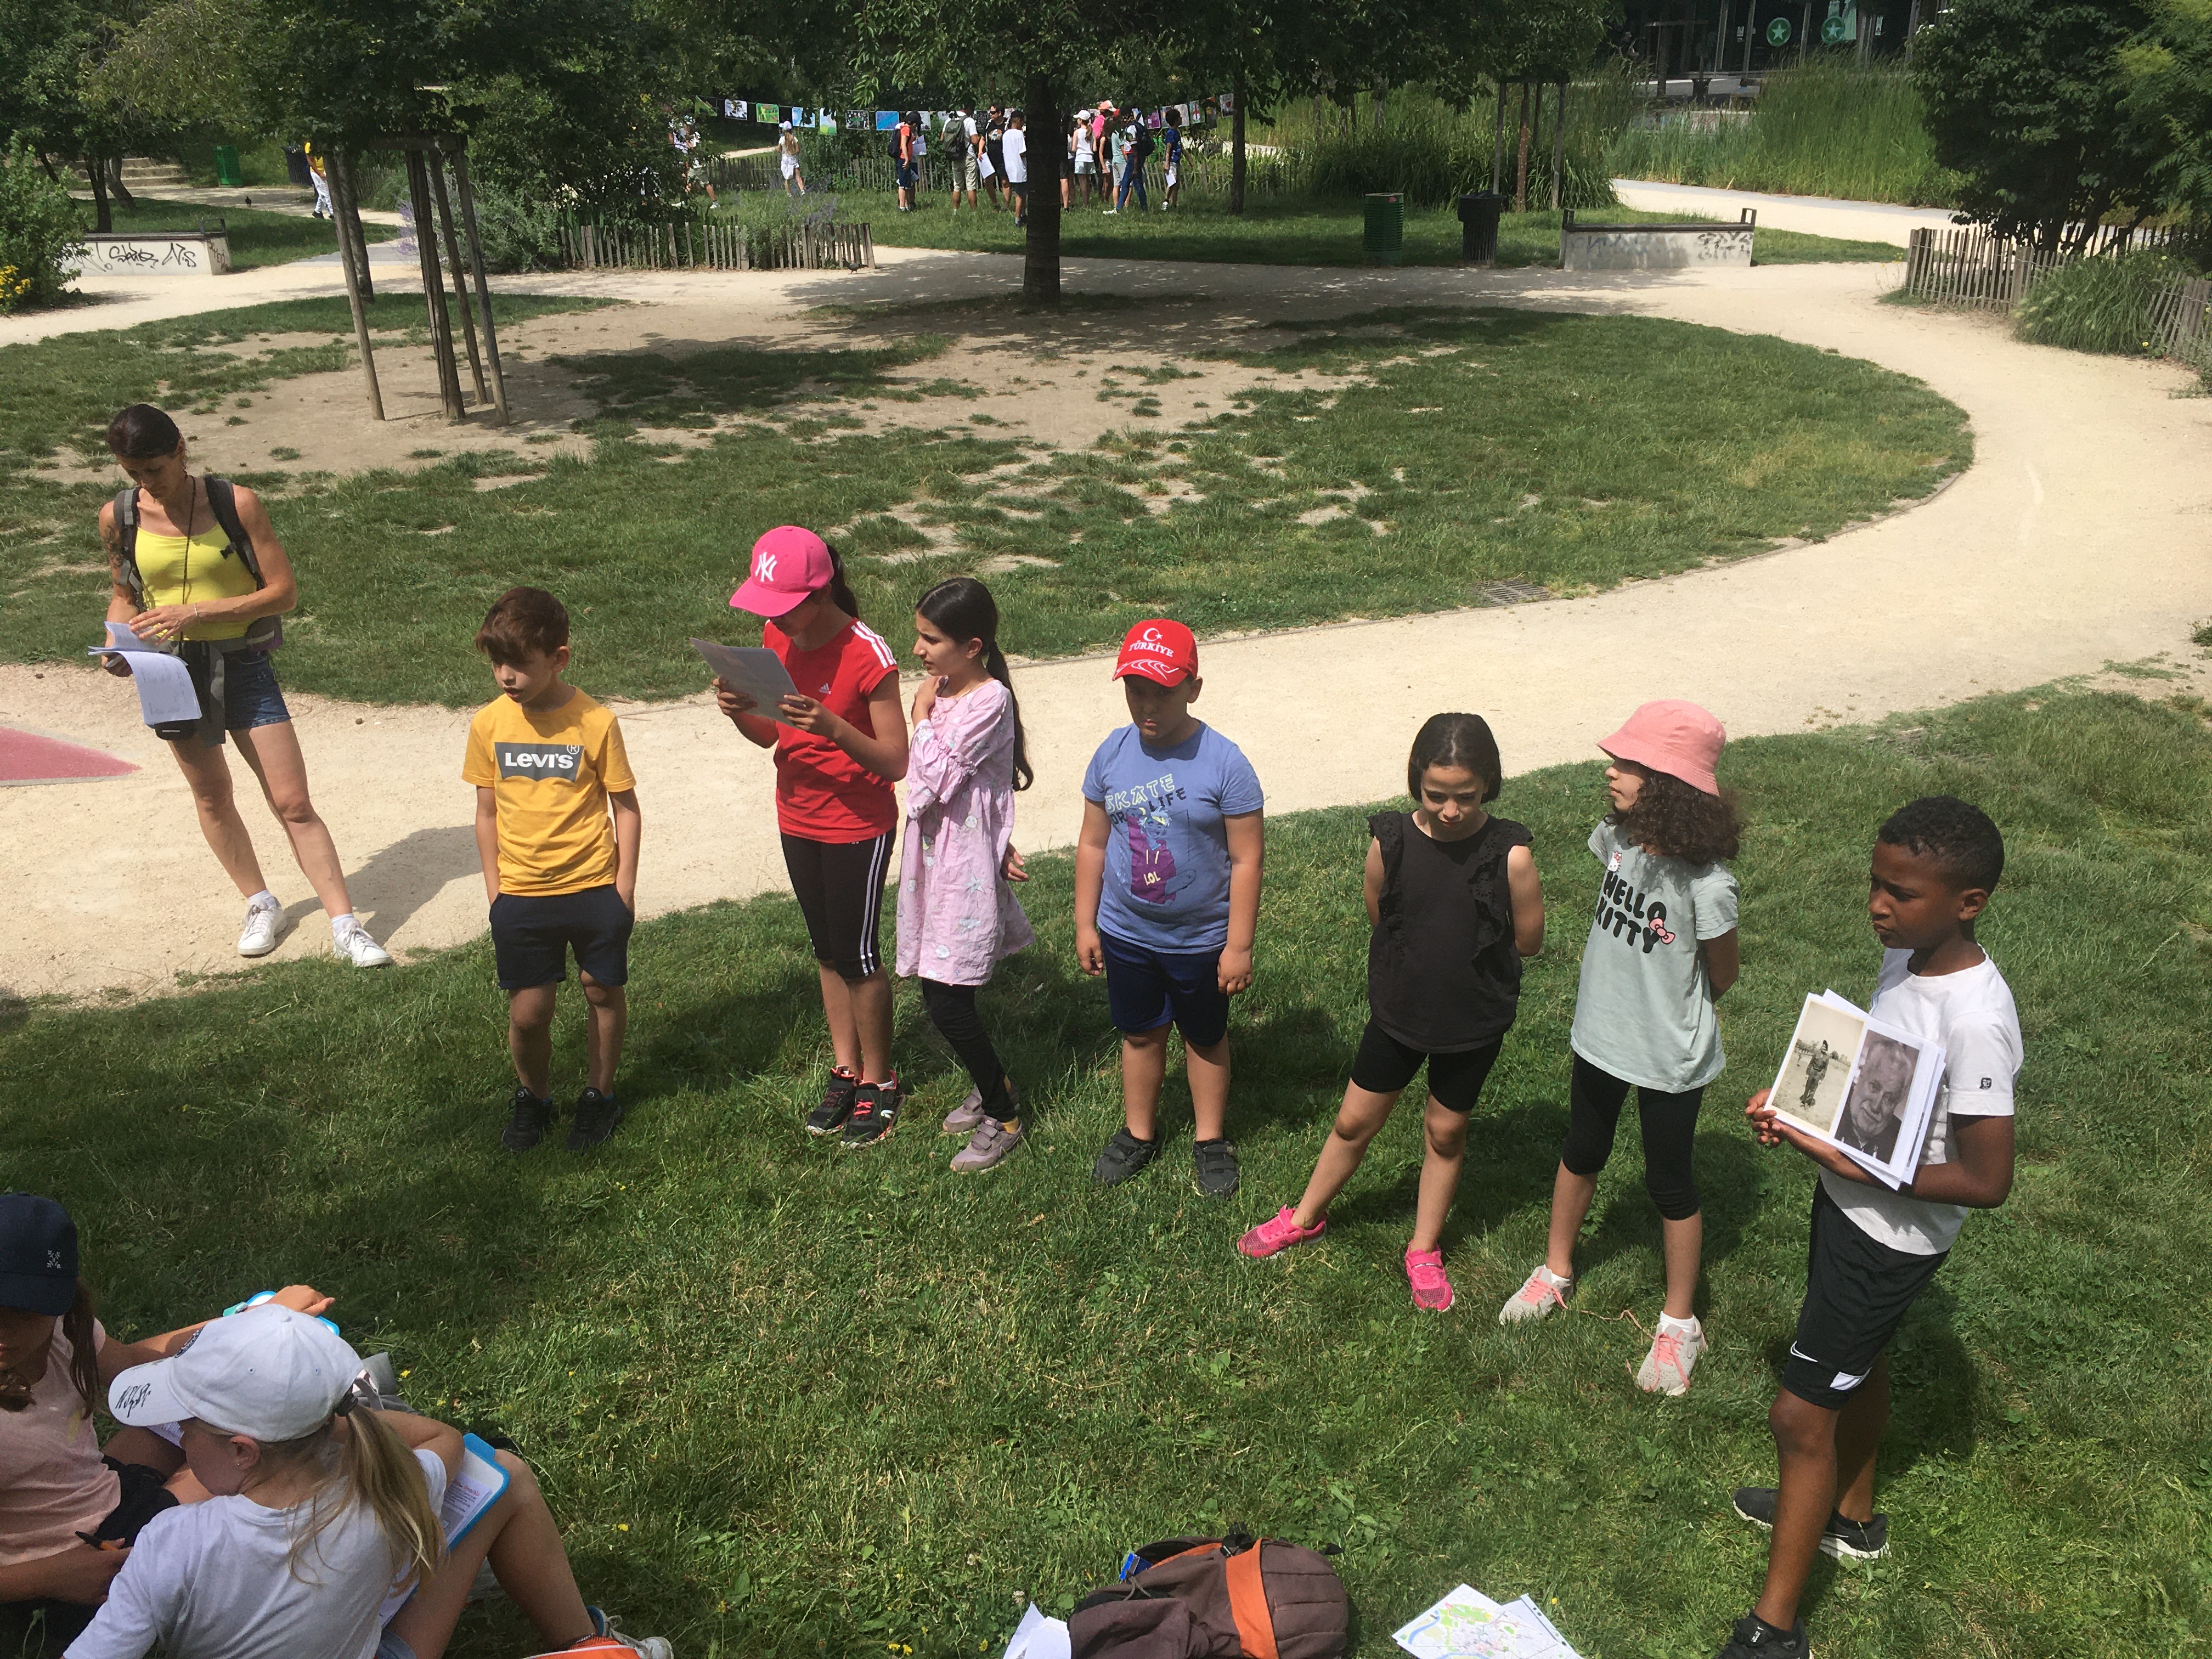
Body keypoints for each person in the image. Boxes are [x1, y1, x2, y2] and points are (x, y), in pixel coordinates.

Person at [1717, 798, 2020, 1659]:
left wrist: (1861, 1169)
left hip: (1887, 1239)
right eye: (1875, 884)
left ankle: (1776, 1628)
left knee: (1797, 1418)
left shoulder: (1976, 1018)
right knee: (1866, 1359)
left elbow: (1988, 1179)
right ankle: (1850, 1519)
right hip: (1850, 1208)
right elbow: (1888, 1087)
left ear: (1970, 903)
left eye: (1902, 893)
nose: (1878, 906)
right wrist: (1800, 1109)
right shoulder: (1908, 958)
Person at [69, 1302, 671, 1658]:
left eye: (185, 1426)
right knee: (504, 1475)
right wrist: (334, 1423)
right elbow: (444, 1439)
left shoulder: (172, 1543)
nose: (178, 1435)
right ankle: (594, 1646)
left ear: (243, 1451)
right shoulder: (387, 1493)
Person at [1239, 715, 1545, 1311]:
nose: (1451, 810)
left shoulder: (1510, 855)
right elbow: (1380, 912)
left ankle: (1424, 1247)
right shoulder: (1391, 841)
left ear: (1488, 783)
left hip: (1473, 1021)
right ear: (1416, 782)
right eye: (1436, 795)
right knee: (1353, 1122)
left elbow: (1530, 941)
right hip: (1399, 1012)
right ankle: (1304, 1217)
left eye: (1466, 796)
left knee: (1446, 1132)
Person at [1497, 701, 1742, 1398]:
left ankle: (1680, 1324)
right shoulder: (1617, 838)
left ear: (1668, 785)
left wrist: (1664, 1010)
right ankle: (1556, 1271)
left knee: (1669, 1181)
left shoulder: (1708, 886)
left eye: (1629, 764)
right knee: (1582, 1148)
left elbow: (1723, 974)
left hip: (1669, 1057)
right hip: (1600, 1036)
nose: (1611, 771)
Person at [95, 404, 393, 969]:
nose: (147, 483)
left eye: (155, 469)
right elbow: (124, 595)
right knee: (211, 794)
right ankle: (260, 903)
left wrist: (197, 613)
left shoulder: (237, 504)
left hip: (242, 663)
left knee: (293, 801)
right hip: (168, 671)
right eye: (133, 473)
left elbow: (284, 593)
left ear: (180, 450)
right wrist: (117, 642)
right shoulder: (120, 516)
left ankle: (346, 926)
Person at [0, 1193, 334, 1656]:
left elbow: (137, 1365)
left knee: (190, 1411)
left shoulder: (63, 1334)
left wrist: (253, 1323)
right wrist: (53, 1576)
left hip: (93, 1489)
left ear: (62, 1301)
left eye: (22, 1314)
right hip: (74, 1563)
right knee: (269, 1467)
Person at [717, 527, 910, 1146]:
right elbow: (771, 735)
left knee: (859, 958)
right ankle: (845, 1069)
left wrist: (834, 728)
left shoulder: (867, 654)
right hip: (796, 813)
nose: (774, 620)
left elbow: (895, 762)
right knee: (826, 952)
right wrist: (740, 712)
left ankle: (880, 1080)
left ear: (822, 593)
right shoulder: (777, 635)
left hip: (856, 824)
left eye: (785, 606)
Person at [1076, 619, 1263, 1198]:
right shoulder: (1112, 753)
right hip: (1127, 933)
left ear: (1194, 689)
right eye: (1136, 690)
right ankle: (1139, 1131)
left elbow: (1247, 860)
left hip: (1200, 940)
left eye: (1162, 691)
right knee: (1140, 1034)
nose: (1148, 705)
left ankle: (1210, 1138)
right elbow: (1093, 843)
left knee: (1204, 1037)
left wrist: (1238, 945)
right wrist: (1085, 922)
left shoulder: (1225, 763)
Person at [463, 586, 641, 1155]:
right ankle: (533, 1098)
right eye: (497, 662)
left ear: (558, 658)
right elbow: (486, 812)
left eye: (519, 663)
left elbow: (626, 808)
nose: (505, 676)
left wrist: (623, 888)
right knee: (529, 1012)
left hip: (594, 885)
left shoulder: (596, 722)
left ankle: (600, 1096)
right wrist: (496, 892)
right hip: (520, 892)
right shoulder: (488, 724)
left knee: (601, 990)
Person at [896, 578, 1036, 1173]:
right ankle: (991, 1081)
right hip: (937, 861)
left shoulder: (989, 700)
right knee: (938, 987)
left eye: (931, 639)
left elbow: (932, 780)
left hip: (960, 867)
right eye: (919, 636)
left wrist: (919, 719)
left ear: (972, 646)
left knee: (947, 999)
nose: (918, 651)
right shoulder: (947, 690)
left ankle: (1005, 1115)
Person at [946, 109, 979, 210]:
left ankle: (955, 211)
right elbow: (975, 141)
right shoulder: (970, 121)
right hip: (968, 155)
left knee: (957, 186)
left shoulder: (950, 120)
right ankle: (974, 212)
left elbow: (943, 137)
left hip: (955, 155)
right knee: (971, 186)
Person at [1002, 110, 1029, 226]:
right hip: (1019, 168)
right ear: (1019, 121)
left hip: (1010, 168)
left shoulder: (1005, 135)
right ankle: (1018, 220)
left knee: (1021, 193)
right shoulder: (1019, 134)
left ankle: (1023, 215)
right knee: (1020, 196)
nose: (1022, 125)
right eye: (1022, 122)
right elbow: (1022, 152)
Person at [983, 106, 1007, 210]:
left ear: (999, 113)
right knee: (987, 181)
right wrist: (980, 151)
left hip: (1003, 157)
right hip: (990, 157)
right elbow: (983, 138)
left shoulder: (1007, 124)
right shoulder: (989, 124)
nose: (990, 114)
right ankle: (995, 204)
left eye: (993, 113)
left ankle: (1006, 207)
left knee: (1005, 182)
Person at [1071, 111, 1098, 205]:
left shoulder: (1077, 132)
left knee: (1082, 183)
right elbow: (1095, 149)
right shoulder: (1091, 132)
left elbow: (1074, 148)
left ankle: (1085, 203)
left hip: (1080, 158)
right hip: (1090, 158)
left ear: (1081, 120)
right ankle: (1088, 201)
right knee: (1088, 182)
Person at [1159, 107, 1184, 209]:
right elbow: (1168, 149)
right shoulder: (1171, 133)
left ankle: (1174, 204)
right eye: (1180, 117)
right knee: (1173, 181)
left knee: (1177, 185)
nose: (1181, 119)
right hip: (1171, 161)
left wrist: (1189, 160)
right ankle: (1166, 201)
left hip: (1177, 161)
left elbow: (1181, 148)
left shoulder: (1177, 133)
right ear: (1176, 120)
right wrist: (1167, 164)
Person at [893, 114, 916, 212]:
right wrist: (906, 159)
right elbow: (903, 145)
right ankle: (902, 207)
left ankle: (906, 206)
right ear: (914, 124)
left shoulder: (905, 129)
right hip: (903, 159)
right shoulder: (906, 130)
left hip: (904, 159)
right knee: (903, 184)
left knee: (906, 184)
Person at [778, 122, 806, 197]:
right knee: (798, 176)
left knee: (787, 178)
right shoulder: (794, 139)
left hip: (785, 159)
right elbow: (798, 150)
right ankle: (802, 190)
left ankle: (789, 194)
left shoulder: (782, 139)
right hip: (793, 158)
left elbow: (779, 150)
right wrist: (793, 152)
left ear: (783, 130)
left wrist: (784, 152)